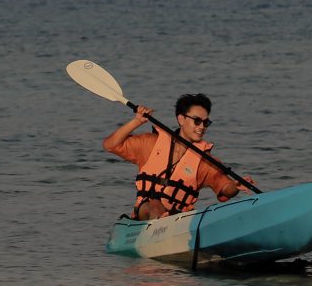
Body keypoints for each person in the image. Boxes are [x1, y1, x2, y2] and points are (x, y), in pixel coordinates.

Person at [102, 92, 252, 219]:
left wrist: (235, 187)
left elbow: (224, 187)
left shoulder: (204, 160)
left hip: (179, 219)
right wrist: (136, 121)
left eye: (206, 123)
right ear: (181, 119)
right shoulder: (150, 143)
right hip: (145, 212)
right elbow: (110, 145)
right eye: (197, 121)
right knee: (155, 206)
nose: (202, 127)